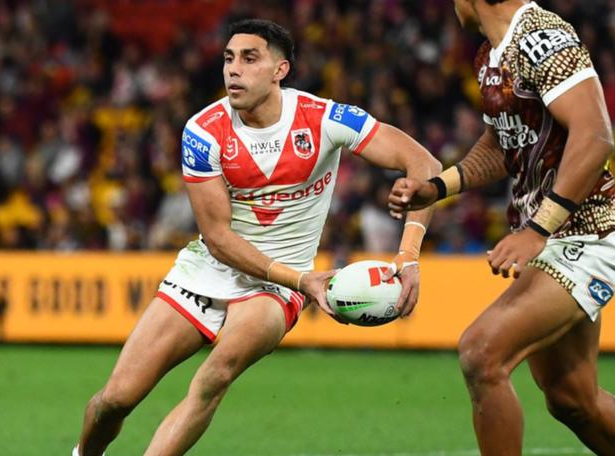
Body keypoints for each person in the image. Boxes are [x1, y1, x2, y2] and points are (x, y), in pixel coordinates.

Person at [74, 19, 440, 456]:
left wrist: (409, 254)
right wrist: (306, 282)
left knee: (213, 377)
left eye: (250, 58)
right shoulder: (204, 130)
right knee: (116, 400)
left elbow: (425, 165)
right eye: (229, 58)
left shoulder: (324, 119)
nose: (234, 69)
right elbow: (217, 238)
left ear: (279, 69)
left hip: (275, 288)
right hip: (210, 270)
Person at [388, 1, 615, 455]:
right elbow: (500, 145)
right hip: (554, 237)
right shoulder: (490, 55)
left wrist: (537, 229)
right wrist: (438, 186)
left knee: (481, 353)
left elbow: (594, 137)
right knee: (573, 400)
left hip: (584, 234)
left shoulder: (541, 35)